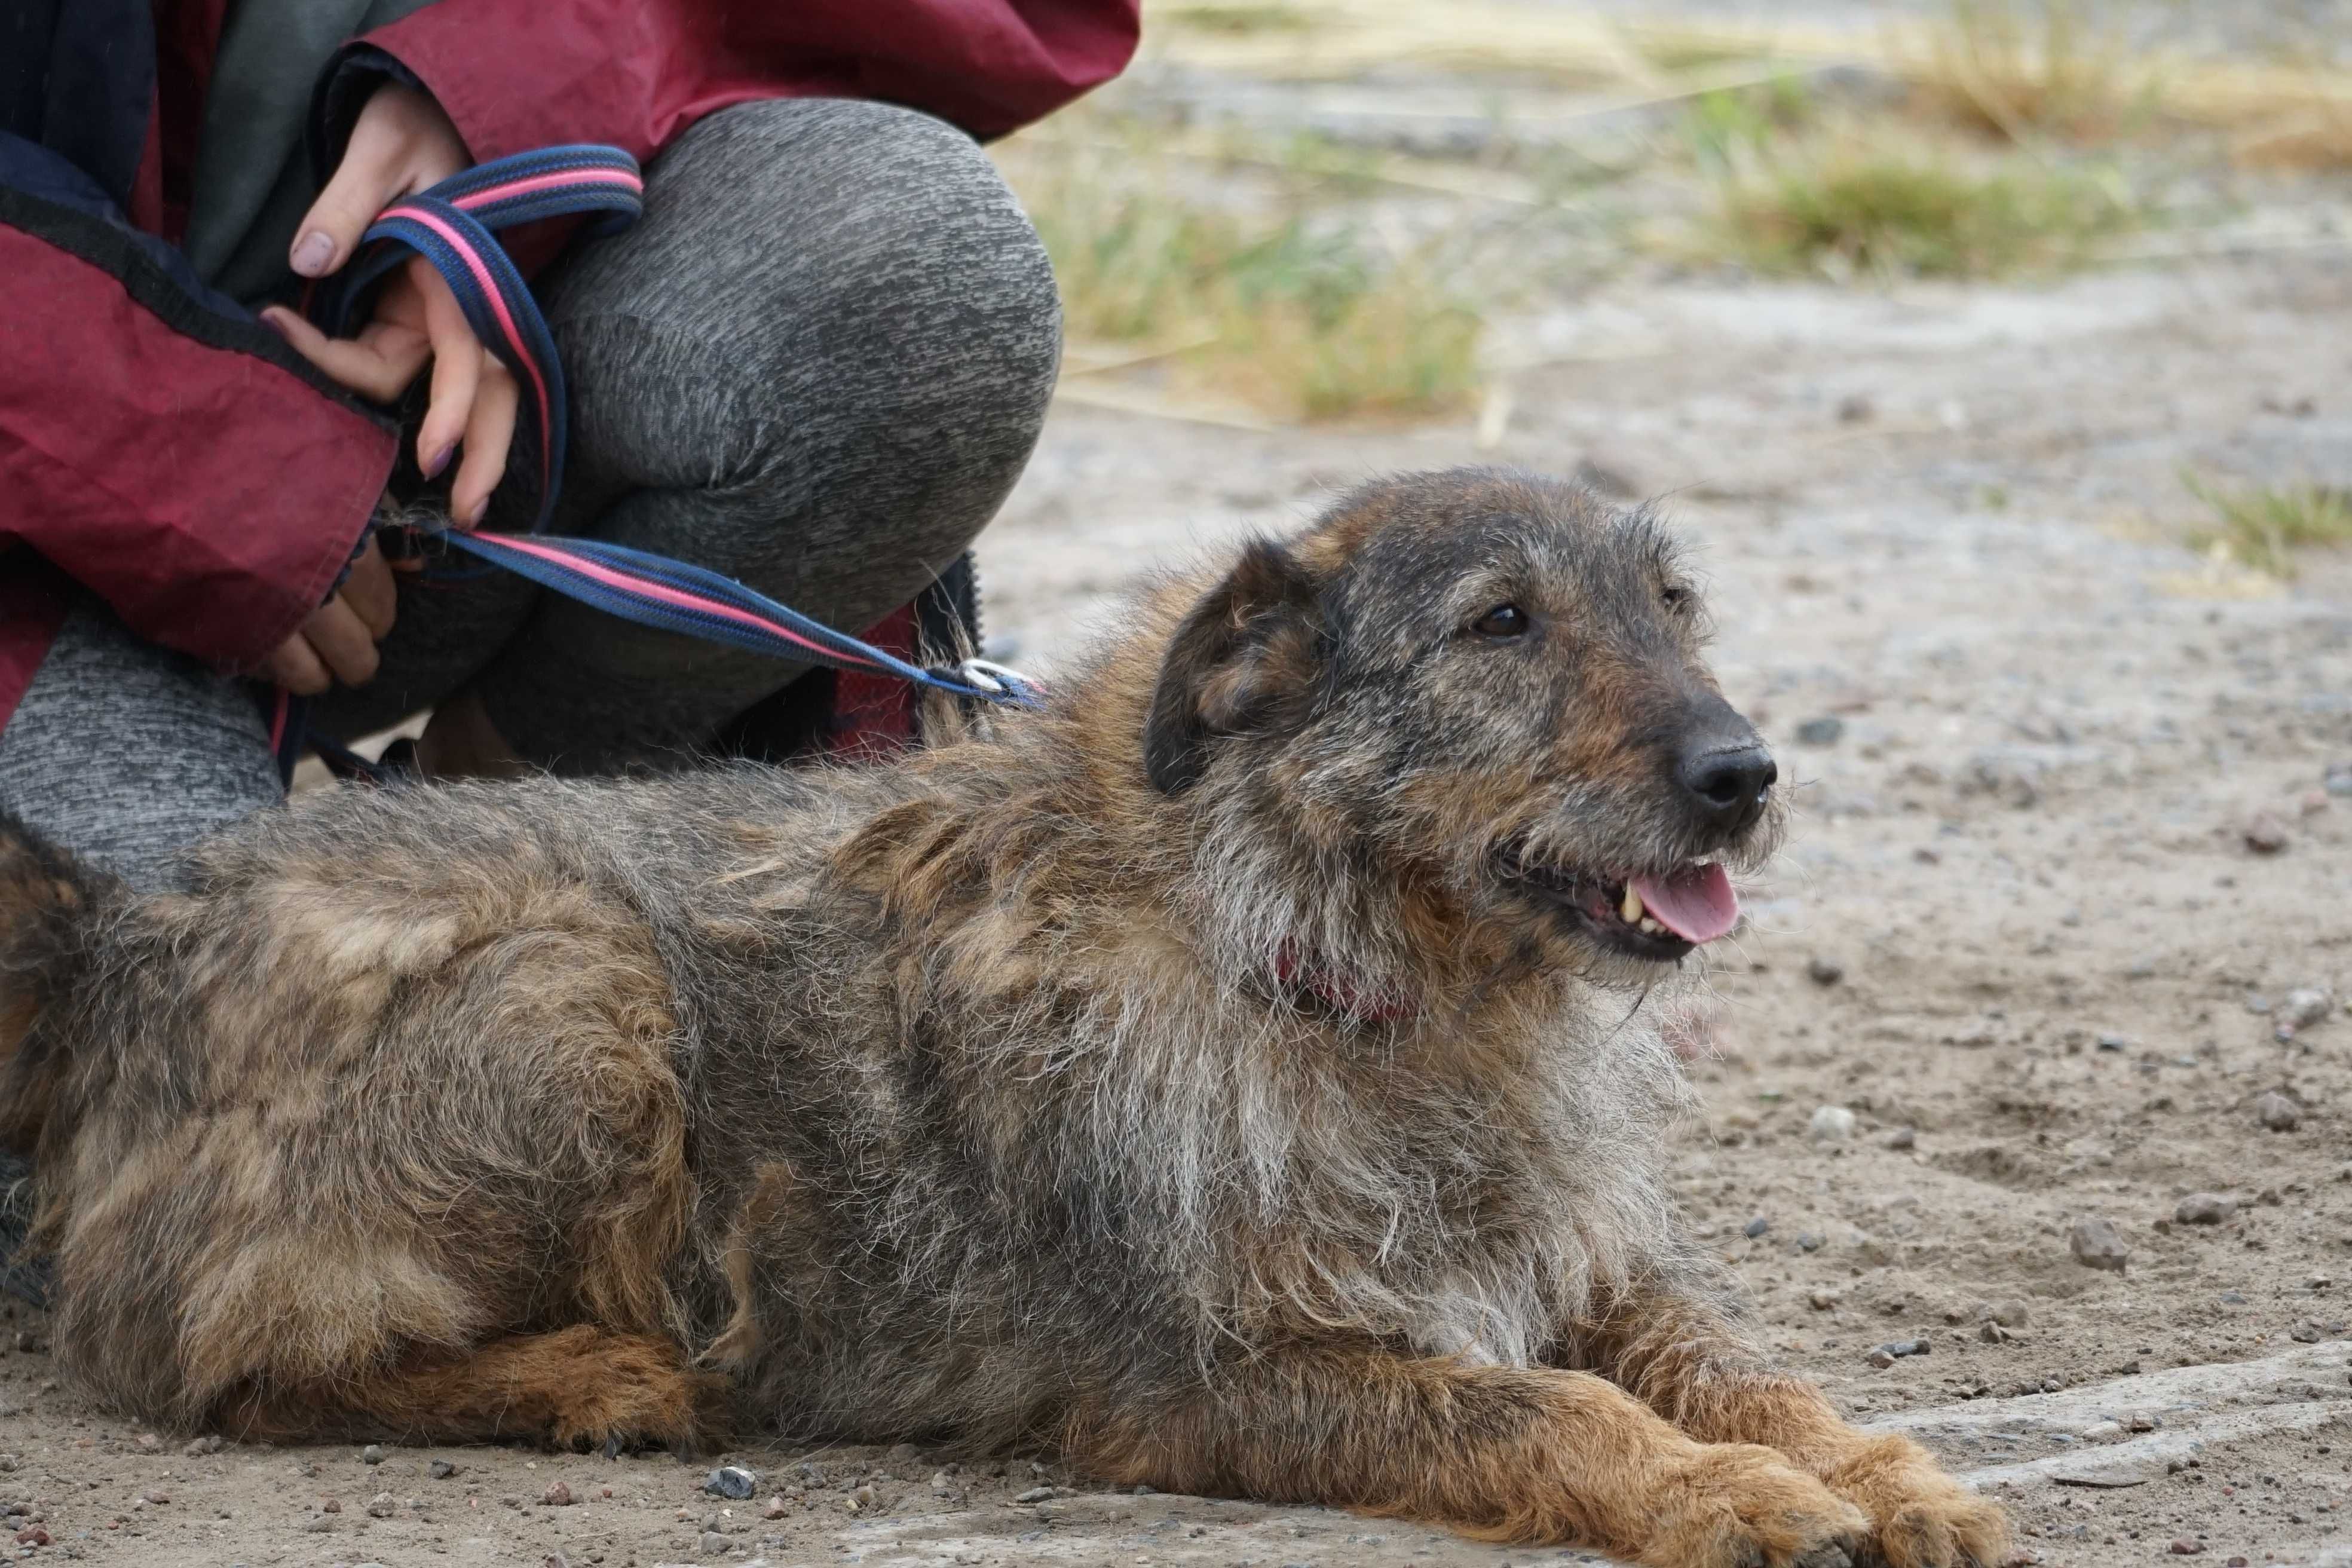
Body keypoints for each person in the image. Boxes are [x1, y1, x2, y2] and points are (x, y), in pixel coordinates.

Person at [0, 0, 1141, 893]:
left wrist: (506, 92)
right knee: (156, 1077)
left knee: (915, 276)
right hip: (49, 527)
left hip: (440, 469)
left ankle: (487, 814)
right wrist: (189, 455)